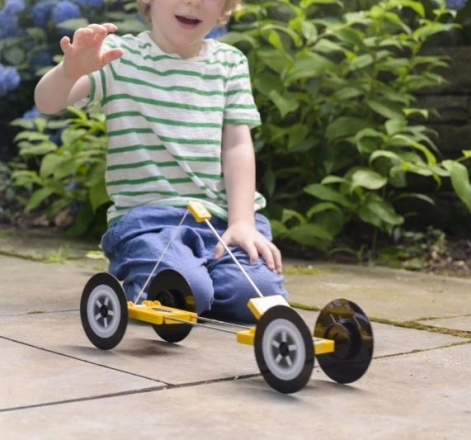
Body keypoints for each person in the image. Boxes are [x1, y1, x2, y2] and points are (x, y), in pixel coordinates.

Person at [34, 0, 286, 322]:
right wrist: (69, 72)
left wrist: (242, 222)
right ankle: (176, 284)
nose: (194, 2)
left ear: (225, 8)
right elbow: (47, 102)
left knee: (257, 295)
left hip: (222, 221)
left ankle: (204, 284)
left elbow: (237, 146)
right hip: (149, 223)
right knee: (184, 290)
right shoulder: (119, 56)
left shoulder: (230, 62)